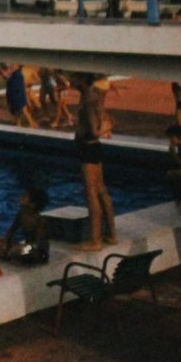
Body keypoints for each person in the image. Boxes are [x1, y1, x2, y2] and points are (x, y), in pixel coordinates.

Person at [72, 73, 117, 250]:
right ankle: (112, 235)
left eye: (74, 77)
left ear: (83, 79)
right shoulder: (92, 96)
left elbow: (94, 130)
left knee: (91, 195)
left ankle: (95, 240)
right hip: (93, 148)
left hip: (88, 147)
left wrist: (100, 130)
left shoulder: (89, 99)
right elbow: (108, 118)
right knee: (100, 190)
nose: (71, 80)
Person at [0, 186, 51, 264]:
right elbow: (12, 230)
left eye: (24, 197)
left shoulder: (40, 220)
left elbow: (39, 243)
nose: (20, 198)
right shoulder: (21, 214)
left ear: (32, 204)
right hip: (26, 247)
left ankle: (8, 254)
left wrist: (21, 248)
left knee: (15, 252)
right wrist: (7, 242)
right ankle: (8, 254)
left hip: (37, 252)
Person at [0, 63, 35, 127]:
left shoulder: (18, 74)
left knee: (23, 110)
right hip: (14, 93)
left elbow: (6, 76)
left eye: (14, 65)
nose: (12, 66)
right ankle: (19, 123)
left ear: (18, 66)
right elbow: (6, 76)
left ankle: (31, 124)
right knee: (17, 111)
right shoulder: (14, 73)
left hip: (18, 94)